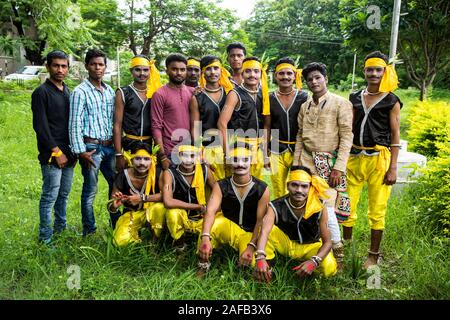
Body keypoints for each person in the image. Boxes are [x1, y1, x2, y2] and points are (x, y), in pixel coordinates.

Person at [342, 51, 402, 269]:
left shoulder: (391, 100)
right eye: (370, 69)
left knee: (377, 210)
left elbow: (395, 135)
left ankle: (373, 255)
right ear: (364, 71)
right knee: (346, 205)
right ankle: (346, 246)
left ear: (385, 71)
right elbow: (349, 128)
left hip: (379, 160)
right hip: (354, 158)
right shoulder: (354, 97)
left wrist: (393, 167)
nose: (374, 74)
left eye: (378, 70)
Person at [292, 62, 353, 268]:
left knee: (328, 207)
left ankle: (337, 250)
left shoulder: (340, 103)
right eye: (310, 79)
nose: (314, 81)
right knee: (306, 203)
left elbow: (346, 137)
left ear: (326, 78)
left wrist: (339, 168)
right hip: (306, 162)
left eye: (318, 77)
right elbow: (300, 136)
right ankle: (313, 243)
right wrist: (296, 165)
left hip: (329, 164)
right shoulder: (305, 106)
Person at [253, 166, 337, 282]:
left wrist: (314, 261)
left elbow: (327, 242)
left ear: (310, 188)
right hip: (286, 244)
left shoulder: (319, 207)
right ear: (288, 186)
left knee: (329, 267)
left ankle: (310, 274)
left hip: (310, 246)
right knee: (268, 230)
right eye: (294, 185)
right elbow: (264, 232)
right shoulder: (275, 206)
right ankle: (267, 267)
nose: (299, 190)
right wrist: (260, 257)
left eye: (304, 186)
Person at [197, 143, 270, 276]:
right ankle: (203, 265)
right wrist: (205, 237)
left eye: (245, 160)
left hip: (251, 234)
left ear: (251, 161)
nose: (240, 164)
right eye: (235, 159)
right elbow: (210, 211)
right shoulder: (221, 185)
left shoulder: (262, 188)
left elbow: (261, 222)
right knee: (210, 227)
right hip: (229, 228)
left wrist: (251, 246)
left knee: (252, 265)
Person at [69, 49, 116, 236]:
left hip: (109, 147)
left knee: (116, 187)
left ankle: (117, 226)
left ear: (105, 67)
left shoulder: (109, 91)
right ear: (87, 66)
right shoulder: (80, 92)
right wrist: (81, 152)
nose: (98, 68)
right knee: (90, 191)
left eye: (101, 64)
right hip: (91, 148)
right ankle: (89, 230)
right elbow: (74, 124)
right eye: (94, 64)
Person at [32, 50, 76, 245]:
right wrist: (56, 152)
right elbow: (40, 127)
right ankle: (45, 238)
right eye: (56, 65)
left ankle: (61, 229)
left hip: (69, 154)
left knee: (63, 195)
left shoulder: (67, 91)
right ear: (48, 66)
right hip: (52, 155)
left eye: (64, 66)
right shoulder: (41, 92)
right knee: (50, 195)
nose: (60, 69)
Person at [218, 56, 271, 180]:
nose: (252, 75)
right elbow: (222, 123)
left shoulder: (264, 94)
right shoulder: (234, 94)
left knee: (255, 183)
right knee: (238, 183)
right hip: (239, 146)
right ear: (242, 74)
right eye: (248, 71)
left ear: (261, 74)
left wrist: (265, 153)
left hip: (258, 147)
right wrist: (227, 154)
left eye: (256, 71)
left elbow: (266, 126)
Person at [108, 143, 166, 246]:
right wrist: (115, 206)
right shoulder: (122, 175)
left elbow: (166, 196)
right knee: (120, 242)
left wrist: (142, 198)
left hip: (152, 211)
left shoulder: (158, 173)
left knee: (159, 208)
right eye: (138, 159)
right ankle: (137, 239)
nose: (142, 163)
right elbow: (111, 205)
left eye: (146, 159)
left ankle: (155, 242)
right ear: (131, 159)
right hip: (131, 213)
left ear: (152, 159)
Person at [162, 144, 216, 250]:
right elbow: (168, 202)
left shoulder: (205, 170)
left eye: (192, 156)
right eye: (184, 156)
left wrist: (209, 208)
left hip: (202, 216)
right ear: (178, 156)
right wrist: (197, 207)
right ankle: (179, 244)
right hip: (183, 215)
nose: (188, 160)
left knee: (219, 220)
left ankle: (205, 251)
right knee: (172, 213)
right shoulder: (169, 173)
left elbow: (217, 191)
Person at [113, 55, 161, 171]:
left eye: (145, 70)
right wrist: (119, 154)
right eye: (137, 69)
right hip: (129, 144)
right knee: (127, 180)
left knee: (148, 182)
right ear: (131, 71)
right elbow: (117, 125)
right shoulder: (123, 92)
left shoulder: (155, 93)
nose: (142, 73)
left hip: (149, 145)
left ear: (150, 71)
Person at [269, 57, 308, 199]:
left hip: (298, 149)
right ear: (275, 76)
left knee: (298, 186)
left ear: (295, 75)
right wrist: (265, 152)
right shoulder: (269, 98)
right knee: (278, 188)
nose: (285, 77)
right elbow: (267, 125)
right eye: (281, 73)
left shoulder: (304, 96)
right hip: (275, 148)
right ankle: (280, 218)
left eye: (289, 73)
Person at [190, 55, 233, 180]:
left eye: (216, 68)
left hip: (232, 146)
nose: (213, 72)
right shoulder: (197, 97)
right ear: (203, 72)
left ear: (221, 70)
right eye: (209, 69)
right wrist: (200, 152)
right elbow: (195, 128)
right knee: (215, 188)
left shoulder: (230, 93)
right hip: (210, 148)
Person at [151, 53, 195, 170]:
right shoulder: (160, 94)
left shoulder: (193, 92)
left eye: (182, 69)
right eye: (174, 69)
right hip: (170, 152)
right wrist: (163, 155)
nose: (179, 73)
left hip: (189, 151)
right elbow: (156, 126)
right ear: (167, 71)